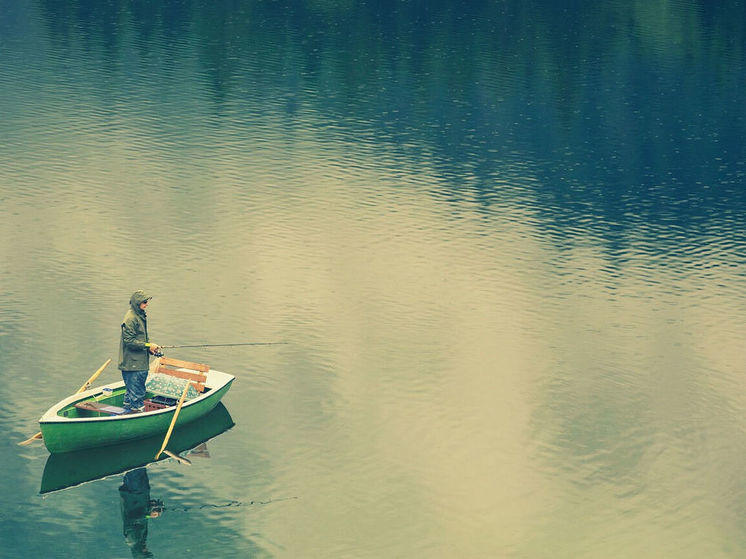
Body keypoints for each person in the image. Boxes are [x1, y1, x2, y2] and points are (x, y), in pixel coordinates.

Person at [119, 290, 160, 413]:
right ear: (138, 303)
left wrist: (150, 348)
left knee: (130, 393)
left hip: (138, 362)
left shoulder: (139, 315)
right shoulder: (131, 319)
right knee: (137, 394)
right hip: (134, 365)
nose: (147, 304)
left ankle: (126, 412)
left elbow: (141, 338)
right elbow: (129, 342)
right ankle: (137, 414)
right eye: (145, 302)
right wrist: (148, 345)